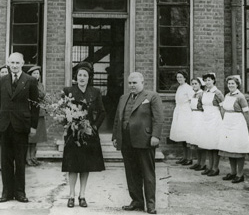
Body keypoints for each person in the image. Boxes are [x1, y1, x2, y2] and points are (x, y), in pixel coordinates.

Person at [112, 72, 163, 215]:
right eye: (130, 83)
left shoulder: (151, 96)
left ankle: (151, 205)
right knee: (131, 173)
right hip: (126, 141)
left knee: (147, 173)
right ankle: (137, 201)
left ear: (142, 82)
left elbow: (158, 118)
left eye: (135, 83)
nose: (132, 86)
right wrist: (116, 137)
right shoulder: (123, 98)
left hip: (144, 140)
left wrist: (155, 136)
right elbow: (118, 119)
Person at [0, 52, 40, 203]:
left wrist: (33, 126)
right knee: (6, 161)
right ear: (8, 63)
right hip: (5, 125)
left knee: (20, 160)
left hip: (22, 125)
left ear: (22, 63)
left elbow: (35, 106)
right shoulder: (2, 81)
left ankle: (20, 192)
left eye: (17, 63)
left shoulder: (30, 80)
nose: (14, 66)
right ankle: (6, 192)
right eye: (12, 63)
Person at [61, 62, 106, 208]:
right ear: (76, 77)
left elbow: (102, 112)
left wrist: (93, 127)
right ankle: (71, 195)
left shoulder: (95, 92)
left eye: (85, 75)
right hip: (72, 134)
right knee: (72, 165)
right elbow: (61, 112)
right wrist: (68, 124)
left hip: (88, 134)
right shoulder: (68, 91)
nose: (82, 78)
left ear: (89, 78)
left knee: (86, 165)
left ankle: (82, 195)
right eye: (79, 75)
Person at [218, 75, 249, 183]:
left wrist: (246, 127)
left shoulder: (241, 97)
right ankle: (232, 172)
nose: (230, 85)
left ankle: (240, 174)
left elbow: (246, 112)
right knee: (229, 148)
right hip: (228, 122)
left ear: (237, 85)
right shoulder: (227, 95)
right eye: (229, 83)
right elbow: (223, 109)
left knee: (238, 149)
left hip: (238, 123)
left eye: (233, 83)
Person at [197, 73, 223, 176]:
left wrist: (222, 120)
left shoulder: (218, 93)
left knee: (214, 144)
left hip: (215, 119)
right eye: (205, 80)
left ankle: (215, 168)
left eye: (209, 80)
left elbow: (222, 108)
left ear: (213, 81)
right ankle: (209, 166)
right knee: (208, 144)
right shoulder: (204, 93)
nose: (207, 82)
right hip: (206, 118)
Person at [169, 71, 194, 165]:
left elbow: (192, 100)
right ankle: (184, 157)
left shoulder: (188, 88)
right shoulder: (179, 87)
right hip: (179, 111)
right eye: (178, 77)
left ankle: (189, 158)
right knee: (182, 136)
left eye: (181, 77)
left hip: (186, 112)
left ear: (185, 78)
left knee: (187, 135)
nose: (179, 79)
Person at [26, 65, 47, 167]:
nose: (36, 75)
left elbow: (43, 97)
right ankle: (28, 158)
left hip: (40, 113)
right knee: (30, 137)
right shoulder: (28, 85)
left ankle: (34, 157)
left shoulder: (41, 85)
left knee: (36, 137)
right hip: (31, 112)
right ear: (30, 75)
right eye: (34, 73)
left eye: (37, 73)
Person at [187, 78, 205, 170]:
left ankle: (202, 163)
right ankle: (198, 162)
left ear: (200, 84)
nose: (194, 85)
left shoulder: (202, 94)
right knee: (195, 142)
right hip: (193, 117)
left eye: (195, 84)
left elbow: (204, 108)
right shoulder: (194, 95)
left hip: (200, 117)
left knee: (200, 141)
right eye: (192, 84)